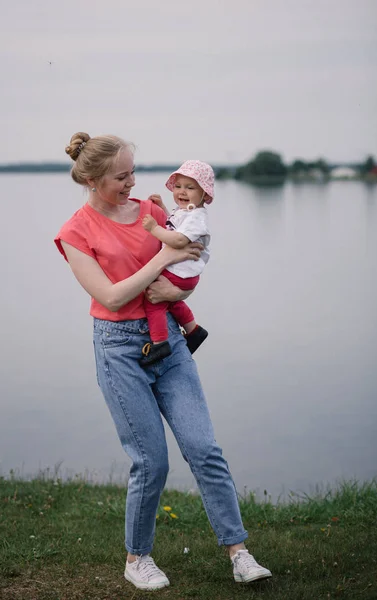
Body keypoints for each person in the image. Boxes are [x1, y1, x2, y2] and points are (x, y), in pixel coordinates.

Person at [54, 131, 272, 591]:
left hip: (167, 342)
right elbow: (111, 296)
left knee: (204, 449)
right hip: (118, 348)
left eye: (133, 171)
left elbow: (191, 258)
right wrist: (160, 264)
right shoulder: (75, 232)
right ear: (92, 180)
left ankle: (239, 552)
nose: (132, 181)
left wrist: (181, 291)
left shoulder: (153, 212)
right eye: (121, 176)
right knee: (151, 462)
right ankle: (138, 558)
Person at [139, 159, 212, 367]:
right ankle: (194, 330)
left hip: (180, 272)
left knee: (153, 299)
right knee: (172, 302)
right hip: (185, 273)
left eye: (190, 188)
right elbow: (174, 225)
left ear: (204, 195)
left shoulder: (197, 218)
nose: (182, 191)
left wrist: (153, 228)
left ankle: (160, 342)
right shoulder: (188, 212)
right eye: (178, 186)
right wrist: (162, 207)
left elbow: (179, 239)